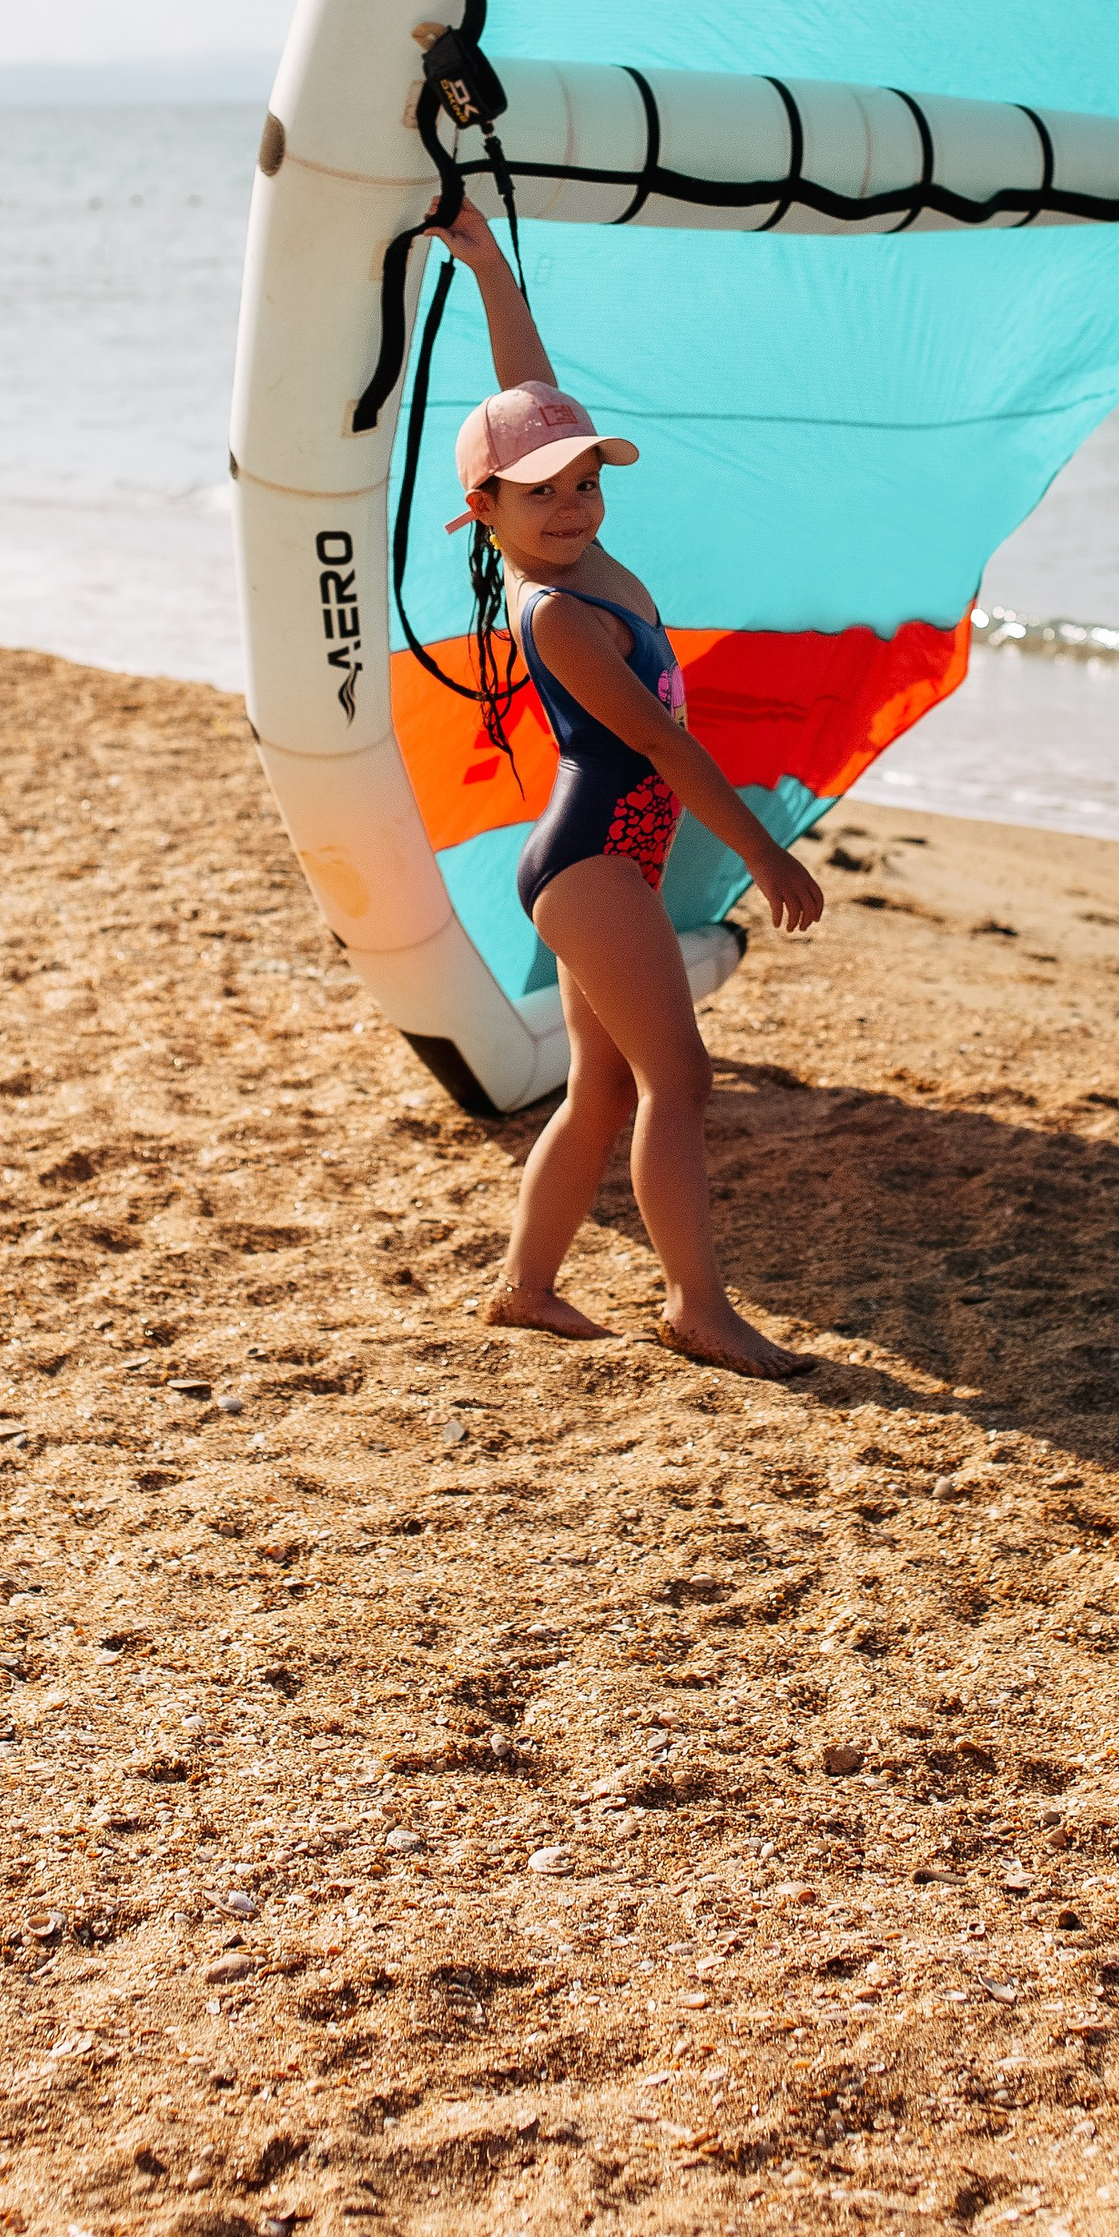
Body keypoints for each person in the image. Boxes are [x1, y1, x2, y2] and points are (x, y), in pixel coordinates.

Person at [428, 197, 823, 1379]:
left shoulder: (579, 554)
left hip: (610, 861)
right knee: (679, 1079)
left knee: (601, 1086)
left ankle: (526, 1288)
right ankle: (699, 1306)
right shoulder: (557, 610)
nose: (569, 502)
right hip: (590, 862)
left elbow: (531, 397)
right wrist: (763, 854)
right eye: (538, 491)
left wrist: (491, 266)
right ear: (485, 511)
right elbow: (660, 748)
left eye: (585, 481)